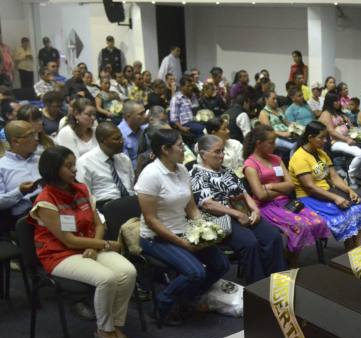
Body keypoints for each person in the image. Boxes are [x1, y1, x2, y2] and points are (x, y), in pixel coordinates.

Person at [29, 145, 137, 338]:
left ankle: (115, 325)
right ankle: (104, 331)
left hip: (88, 246)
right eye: (68, 166)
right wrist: (105, 245)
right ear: (53, 169)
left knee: (128, 272)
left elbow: (98, 225)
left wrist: (95, 248)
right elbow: (68, 241)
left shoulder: (81, 189)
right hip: (59, 254)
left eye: (74, 165)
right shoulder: (45, 201)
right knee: (106, 278)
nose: (74, 170)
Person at [136, 128, 229, 326]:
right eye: (180, 146)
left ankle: (183, 299)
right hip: (156, 237)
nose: (185, 149)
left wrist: (204, 231)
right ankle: (161, 305)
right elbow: (151, 220)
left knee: (222, 264)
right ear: (165, 149)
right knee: (196, 273)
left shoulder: (182, 169)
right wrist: (183, 243)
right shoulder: (151, 175)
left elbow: (192, 208)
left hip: (181, 229)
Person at [191, 135, 286, 284]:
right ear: (203, 154)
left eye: (223, 151)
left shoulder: (227, 171)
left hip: (242, 212)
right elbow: (208, 204)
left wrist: (255, 210)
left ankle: (278, 281)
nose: (222, 155)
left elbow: (244, 193)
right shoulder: (197, 174)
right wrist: (237, 214)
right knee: (250, 244)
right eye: (217, 152)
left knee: (273, 236)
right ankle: (258, 286)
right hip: (220, 218)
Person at [242, 125, 330, 267]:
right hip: (266, 207)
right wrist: (281, 189)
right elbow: (260, 195)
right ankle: (291, 263)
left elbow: (291, 185)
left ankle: (287, 259)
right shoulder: (250, 164)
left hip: (285, 202)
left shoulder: (276, 159)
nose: (275, 145)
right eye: (271, 142)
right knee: (301, 226)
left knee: (318, 221)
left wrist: (270, 186)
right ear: (259, 144)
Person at [288, 121, 361, 251]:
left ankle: (358, 246)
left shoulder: (321, 153)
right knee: (348, 211)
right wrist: (335, 197)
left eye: (326, 137)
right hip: (308, 197)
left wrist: (349, 190)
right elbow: (310, 187)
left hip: (327, 191)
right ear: (310, 138)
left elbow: (334, 177)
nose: (325, 141)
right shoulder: (300, 157)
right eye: (321, 138)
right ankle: (349, 251)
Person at [75, 121, 135, 208]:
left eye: (121, 137)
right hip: (105, 206)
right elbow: (84, 197)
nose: (122, 141)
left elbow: (131, 187)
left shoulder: (124, 159)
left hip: (129, 202)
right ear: (103, 141)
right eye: (116, 139)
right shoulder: (85, 162)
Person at [318, 90, 361, 190]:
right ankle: (349, 177)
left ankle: (358, 175)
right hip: (335, 142)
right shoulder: (326, 114)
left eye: (338, 100)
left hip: (347, 140)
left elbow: (352, 126)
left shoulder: (340, 113)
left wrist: (359, 135)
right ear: (329, 101)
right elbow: (331, 132)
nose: (337, 103)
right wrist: (347, 139)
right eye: (335, 101)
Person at [0, 121, 43, 221]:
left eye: (35, 134)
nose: (36, 138)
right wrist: (20, 191)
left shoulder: (42, 159)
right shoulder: (2, 166)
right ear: (16, 141)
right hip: (27, 216)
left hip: (53, 207)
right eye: (30, 135)